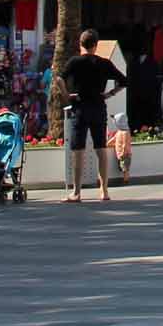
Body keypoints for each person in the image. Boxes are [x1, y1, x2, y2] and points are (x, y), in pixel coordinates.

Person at [60, 29, 128, 204]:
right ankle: (104, 190)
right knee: (101, 149)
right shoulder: (104, 63)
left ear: (80, 44)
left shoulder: (75, 62)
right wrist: (110, 93)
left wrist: (66, 94)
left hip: (80, 107)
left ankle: (76, 192)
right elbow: (124, 81)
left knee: (78, 151)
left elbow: (59, 79)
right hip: (98, 106)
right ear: (96, 45)